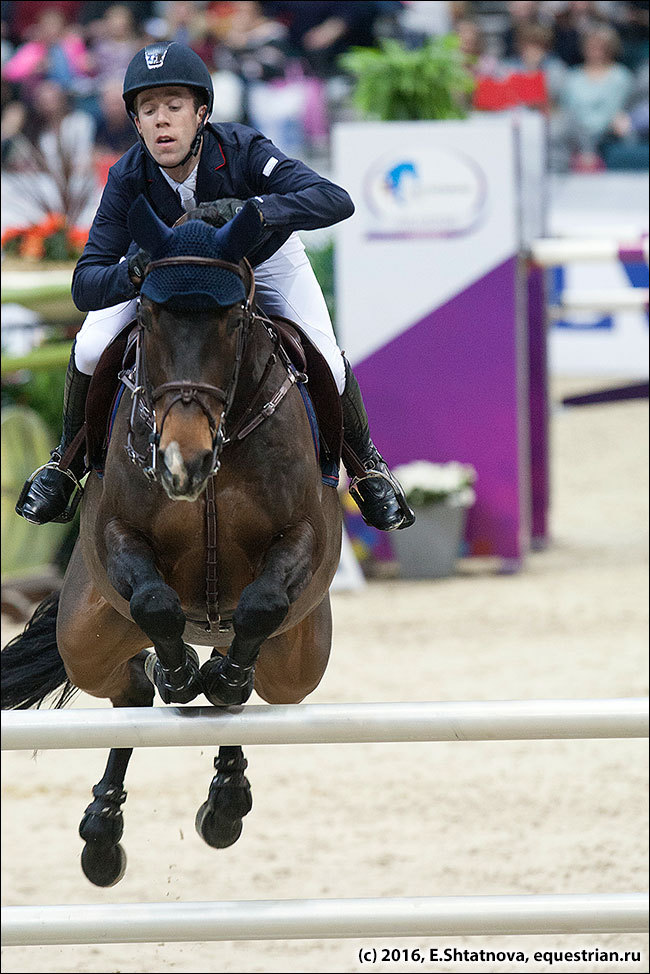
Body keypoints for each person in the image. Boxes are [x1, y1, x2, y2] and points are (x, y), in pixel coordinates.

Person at [16, 41, 415, 533]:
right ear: (136, 123)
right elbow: (86, 283)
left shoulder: (243, 151)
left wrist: (260, 211)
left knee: (326, 360)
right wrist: (135, 272)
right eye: (148, 109)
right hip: (167, 282)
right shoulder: (127, 178)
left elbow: (334, 199)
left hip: (261, 262)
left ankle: (366, 467)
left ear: (201, 112)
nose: (162, 121)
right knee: (92, 346)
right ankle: (67, 465)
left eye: (174, 107)